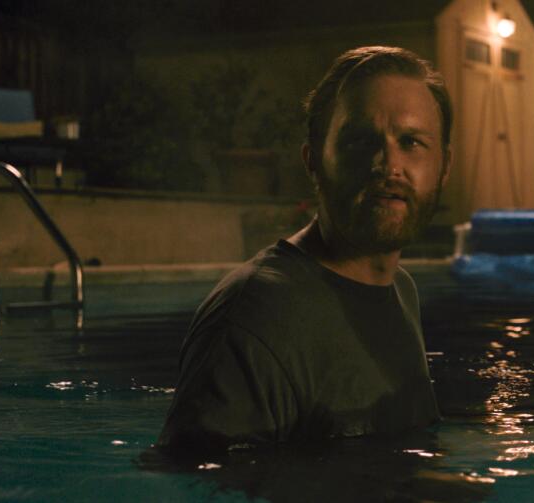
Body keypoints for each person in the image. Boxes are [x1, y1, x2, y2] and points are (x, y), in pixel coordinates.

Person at [157, 46, 453, 453]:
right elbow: (197, 486)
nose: (388, 164)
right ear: (312, 159)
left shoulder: (400, 290)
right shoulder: (254, 318)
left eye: (412, 142)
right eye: (360, 140)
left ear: (444, 167)